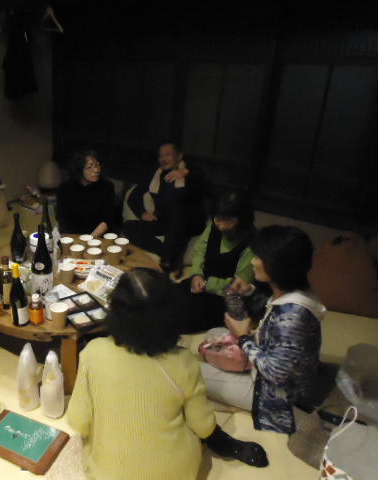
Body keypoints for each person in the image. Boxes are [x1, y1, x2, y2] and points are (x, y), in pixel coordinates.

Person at [67, 268, 268, 480]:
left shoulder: (93, 352)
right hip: (177, 472)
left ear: (115, 311)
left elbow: (78, 420)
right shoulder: (184, 361)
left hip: (107, 474)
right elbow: (203, 426)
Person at [201, 226, 326, 434]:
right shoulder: (298, 291)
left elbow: (275, 374)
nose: (253, 261)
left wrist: (243, 337)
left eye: (258, 257)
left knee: (191, 372)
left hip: (278, 398)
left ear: (276, 266)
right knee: (213, 333)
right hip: (276, 366)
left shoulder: (293, 317)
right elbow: (274, 312)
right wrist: (250, 292)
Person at [175, 191, 256, 333]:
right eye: (218, 219)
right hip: (201, 281)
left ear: (243, 219)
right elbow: (199, 251)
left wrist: (208, 284)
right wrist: (196, 274)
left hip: (225, 297)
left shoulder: (251, 242)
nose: (222, 226)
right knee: (168, 297)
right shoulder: (213, 226)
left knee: (183, 320)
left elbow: (240, 284)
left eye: (229, 221)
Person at [123, 142, 206, 272]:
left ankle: (168, 258)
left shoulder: (190, 174)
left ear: (179, 156)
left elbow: (206, 186)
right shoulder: (156, 174)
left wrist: (186, 172)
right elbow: (133, 197)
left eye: (167, 155)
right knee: (129, 226)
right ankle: (166, 252)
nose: (163, 159)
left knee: (178, 211)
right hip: (164, 222)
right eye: (160, 156)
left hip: (188, 223)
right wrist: (143, 213)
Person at [56, 148, 116, 236]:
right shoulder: (65, 189)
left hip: (98, 237)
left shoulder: (107, 186)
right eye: (89, 167)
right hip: (73, 237)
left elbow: (107, 220)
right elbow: (62, 221)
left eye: (98, 165)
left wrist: (89, 239)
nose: (96, 170)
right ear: (79, 169)